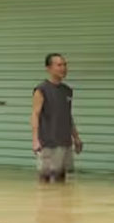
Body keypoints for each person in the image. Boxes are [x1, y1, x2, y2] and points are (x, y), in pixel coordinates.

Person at [31, 53, 83, 183]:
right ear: (48, 68)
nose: (63, 68)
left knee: (62, 180)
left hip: (65, 143)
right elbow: (35, 114)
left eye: (65, 65)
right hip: (48, 144)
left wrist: (76, 138)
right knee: (45, 181)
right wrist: (35, 140)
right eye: (59, 65)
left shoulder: (67, 90)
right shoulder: (41, 89)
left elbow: (67, 116)